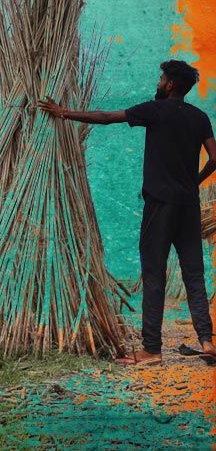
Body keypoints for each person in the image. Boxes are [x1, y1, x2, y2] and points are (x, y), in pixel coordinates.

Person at [37, 60, 216, 366]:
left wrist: (63, 113)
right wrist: (193, 183)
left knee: (154, 275)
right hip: (188, 205)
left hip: (160, 205)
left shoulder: (154, 110)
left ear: (170, 85)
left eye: (161, 79)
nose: (158, 83)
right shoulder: (199, 117)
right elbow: (215, 158)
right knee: (194, 275)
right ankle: (208, 343)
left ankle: (151, 350)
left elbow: (107, 117)